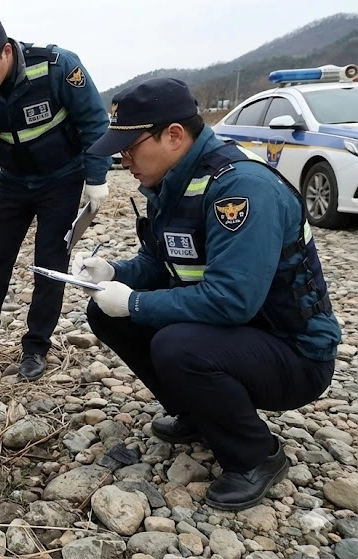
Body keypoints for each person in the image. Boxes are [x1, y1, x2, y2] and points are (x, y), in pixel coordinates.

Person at [74, 78, 340, 511]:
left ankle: (257, 456)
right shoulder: (173, 184)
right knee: (107, 313)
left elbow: (232, 299)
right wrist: (112, 273)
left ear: (174, 135)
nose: (123, 161)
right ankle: (200, 413)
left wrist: (135, 302)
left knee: (176, 344)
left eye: (130, 148)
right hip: (239, 336)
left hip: (294, 352)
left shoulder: (240, 188)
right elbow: (161, 264)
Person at [0, 15, 112, 380]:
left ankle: (36, 347)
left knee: (49, 264)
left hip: (63, 179)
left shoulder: (58, 67)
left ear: (6, 51)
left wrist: (97, 177)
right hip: (14, 181)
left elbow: (94, 122)